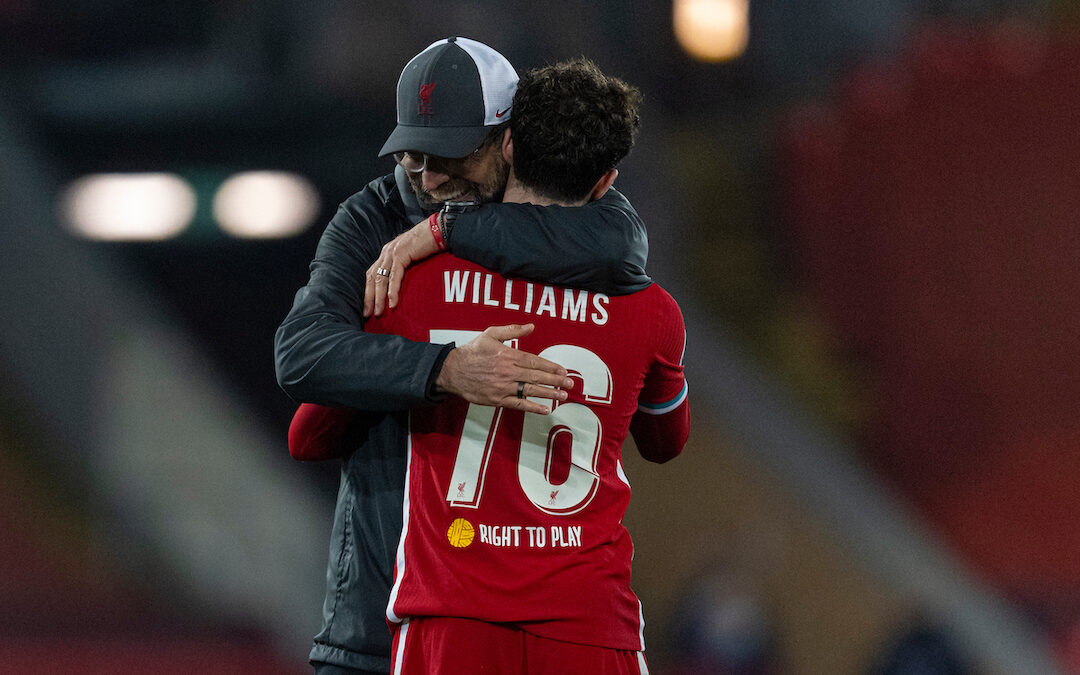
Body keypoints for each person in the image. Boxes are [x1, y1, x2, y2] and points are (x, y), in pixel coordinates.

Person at [292, 58, 691, 675]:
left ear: (508, 141)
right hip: (580, 623)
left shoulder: (413, 283)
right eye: (415, 157)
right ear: (605, 180)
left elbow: (309, 434)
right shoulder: (648, 305)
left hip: (445, 615)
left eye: (454, 155)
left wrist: (443, 242)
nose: (430, 181)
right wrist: (443, 368)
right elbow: (666, 440)